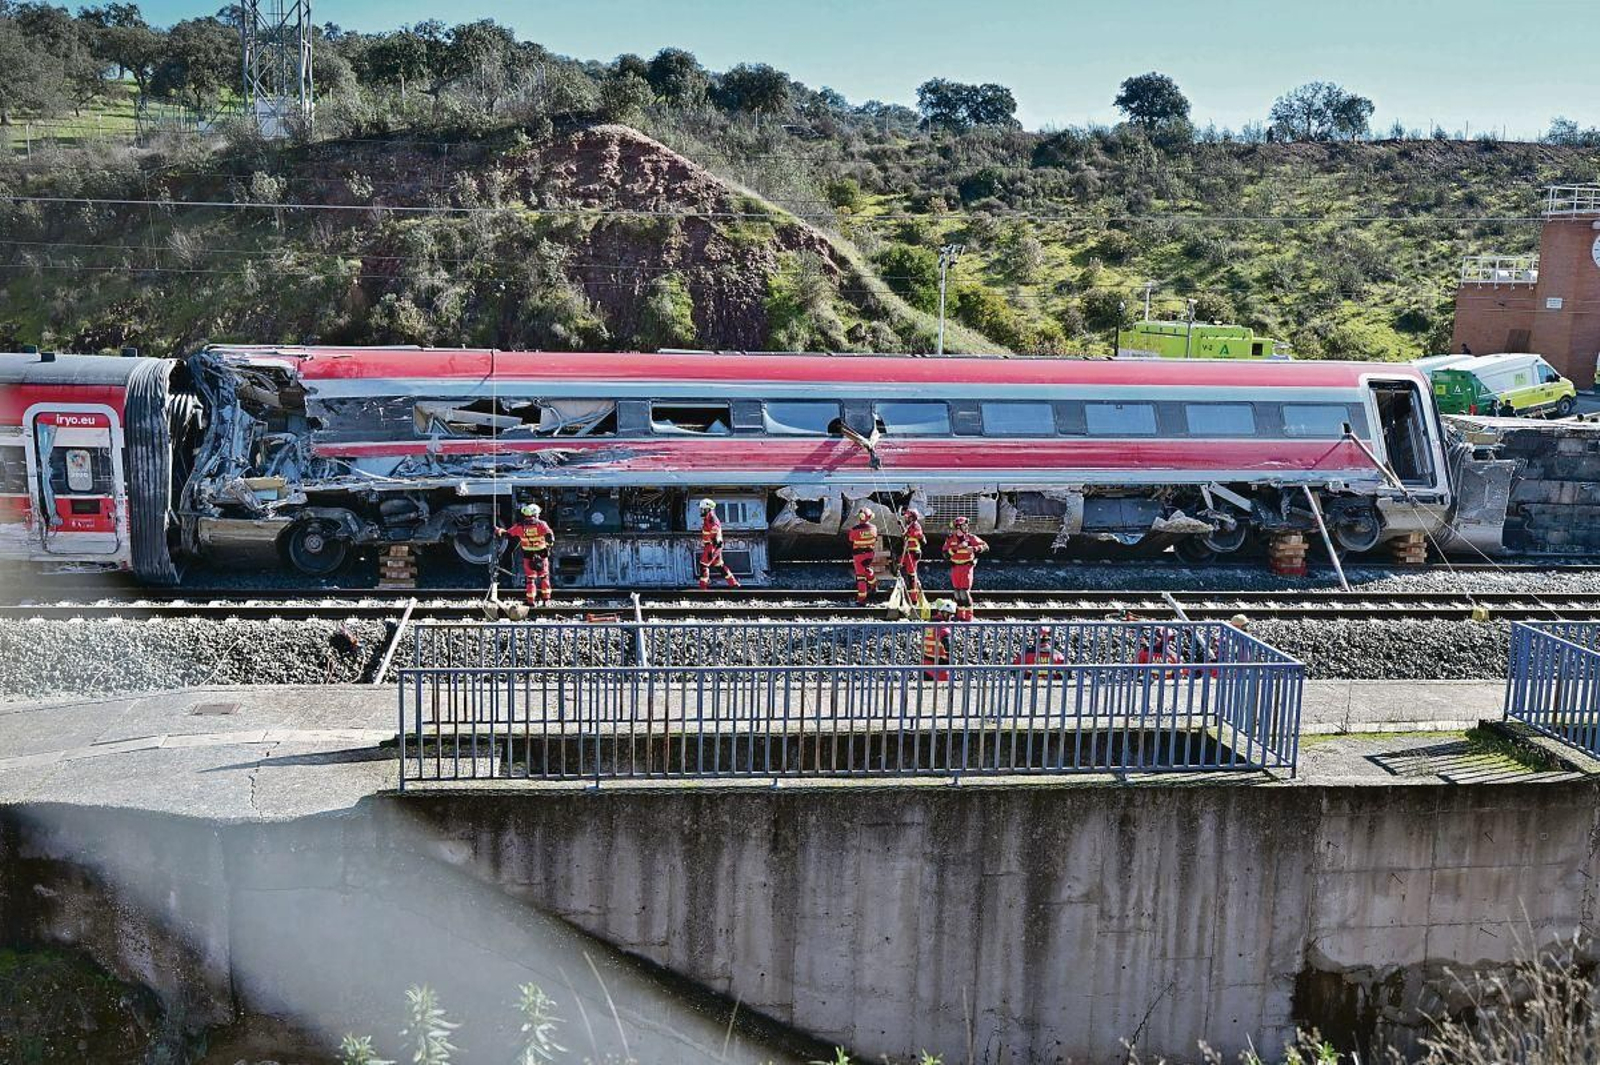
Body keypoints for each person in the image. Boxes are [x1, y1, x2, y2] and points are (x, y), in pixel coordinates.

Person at [496, 502, 554, 606]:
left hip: (528, 555)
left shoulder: (520, 526)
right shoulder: (541, 524)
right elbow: (550, 536)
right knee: (544, 577)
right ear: (536, 514)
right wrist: (549, 545)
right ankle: (546, 600)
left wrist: (498, 530)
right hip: (542, 554)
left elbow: (507, 534)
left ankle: (531, 602)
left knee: (530, 579)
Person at [941, 516, 989, 621]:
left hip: (966, 567)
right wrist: (957, 548)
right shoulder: (950, 539)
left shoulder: (971, 538)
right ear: (958, 527)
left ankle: (968, 616)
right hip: (955, 567)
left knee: (964, 592)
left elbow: (985, 546)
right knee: (957, 592)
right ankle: (960, 615)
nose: (966, 527)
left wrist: (976, 548)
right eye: (964, 525)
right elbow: (945, 554)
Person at [695, 498, 741, 590]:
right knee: (719, 566)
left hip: (712, 546)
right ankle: (734, 583)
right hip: (714, 546)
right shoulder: (708, 518)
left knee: (704, 565)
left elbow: (715, 534)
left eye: (702, 509)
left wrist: (712, 550)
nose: (701, 511)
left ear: (708, 509)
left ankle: (703, 588)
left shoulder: (711, 519)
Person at [847, 506, 879, 606]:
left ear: (860, 516)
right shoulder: (874, 528)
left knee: (861, 577)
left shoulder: (855, 530)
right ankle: (873, 585)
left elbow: (851, 540)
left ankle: (861, 599)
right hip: (870, 554)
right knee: (867, 569)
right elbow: (875, 538)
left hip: (858, 556)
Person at [921, 598, 957, 681]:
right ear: (945, 613)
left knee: (926, 691)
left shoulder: (929, 624)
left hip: (926, 666)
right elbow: (948, 647)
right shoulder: (943, 628)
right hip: (940, 669)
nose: (951, 617)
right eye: (950, 615)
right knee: (942, 692)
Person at [897, 505, 926, 606]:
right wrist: (901, 526)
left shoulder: (916, 526)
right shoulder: (910, 526)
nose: (906, 519)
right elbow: (905, 535)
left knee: (911, 575)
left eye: (907, 517)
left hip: (913, 553)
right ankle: (906, 592)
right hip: (907, 552)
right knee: (898, 565)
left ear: (912, 518)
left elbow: (912, 534)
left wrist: (905, 531)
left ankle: (914, 598)